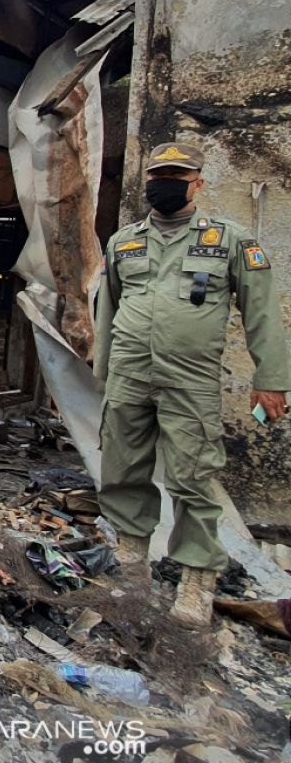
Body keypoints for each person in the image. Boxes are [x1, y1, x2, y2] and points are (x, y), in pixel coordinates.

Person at [94, 142, 290, 628]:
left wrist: (271, 380)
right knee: (122, 469)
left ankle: (196, 583)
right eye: (159, 175)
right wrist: (102, 374)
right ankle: (131, 565)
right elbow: (107, 311)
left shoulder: (231, 241)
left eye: (177, 175)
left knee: (192, 479)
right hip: (130, 374)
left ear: (197, 183)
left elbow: (263, 313)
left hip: (191, 379)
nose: (165, 183)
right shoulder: (124, 242)